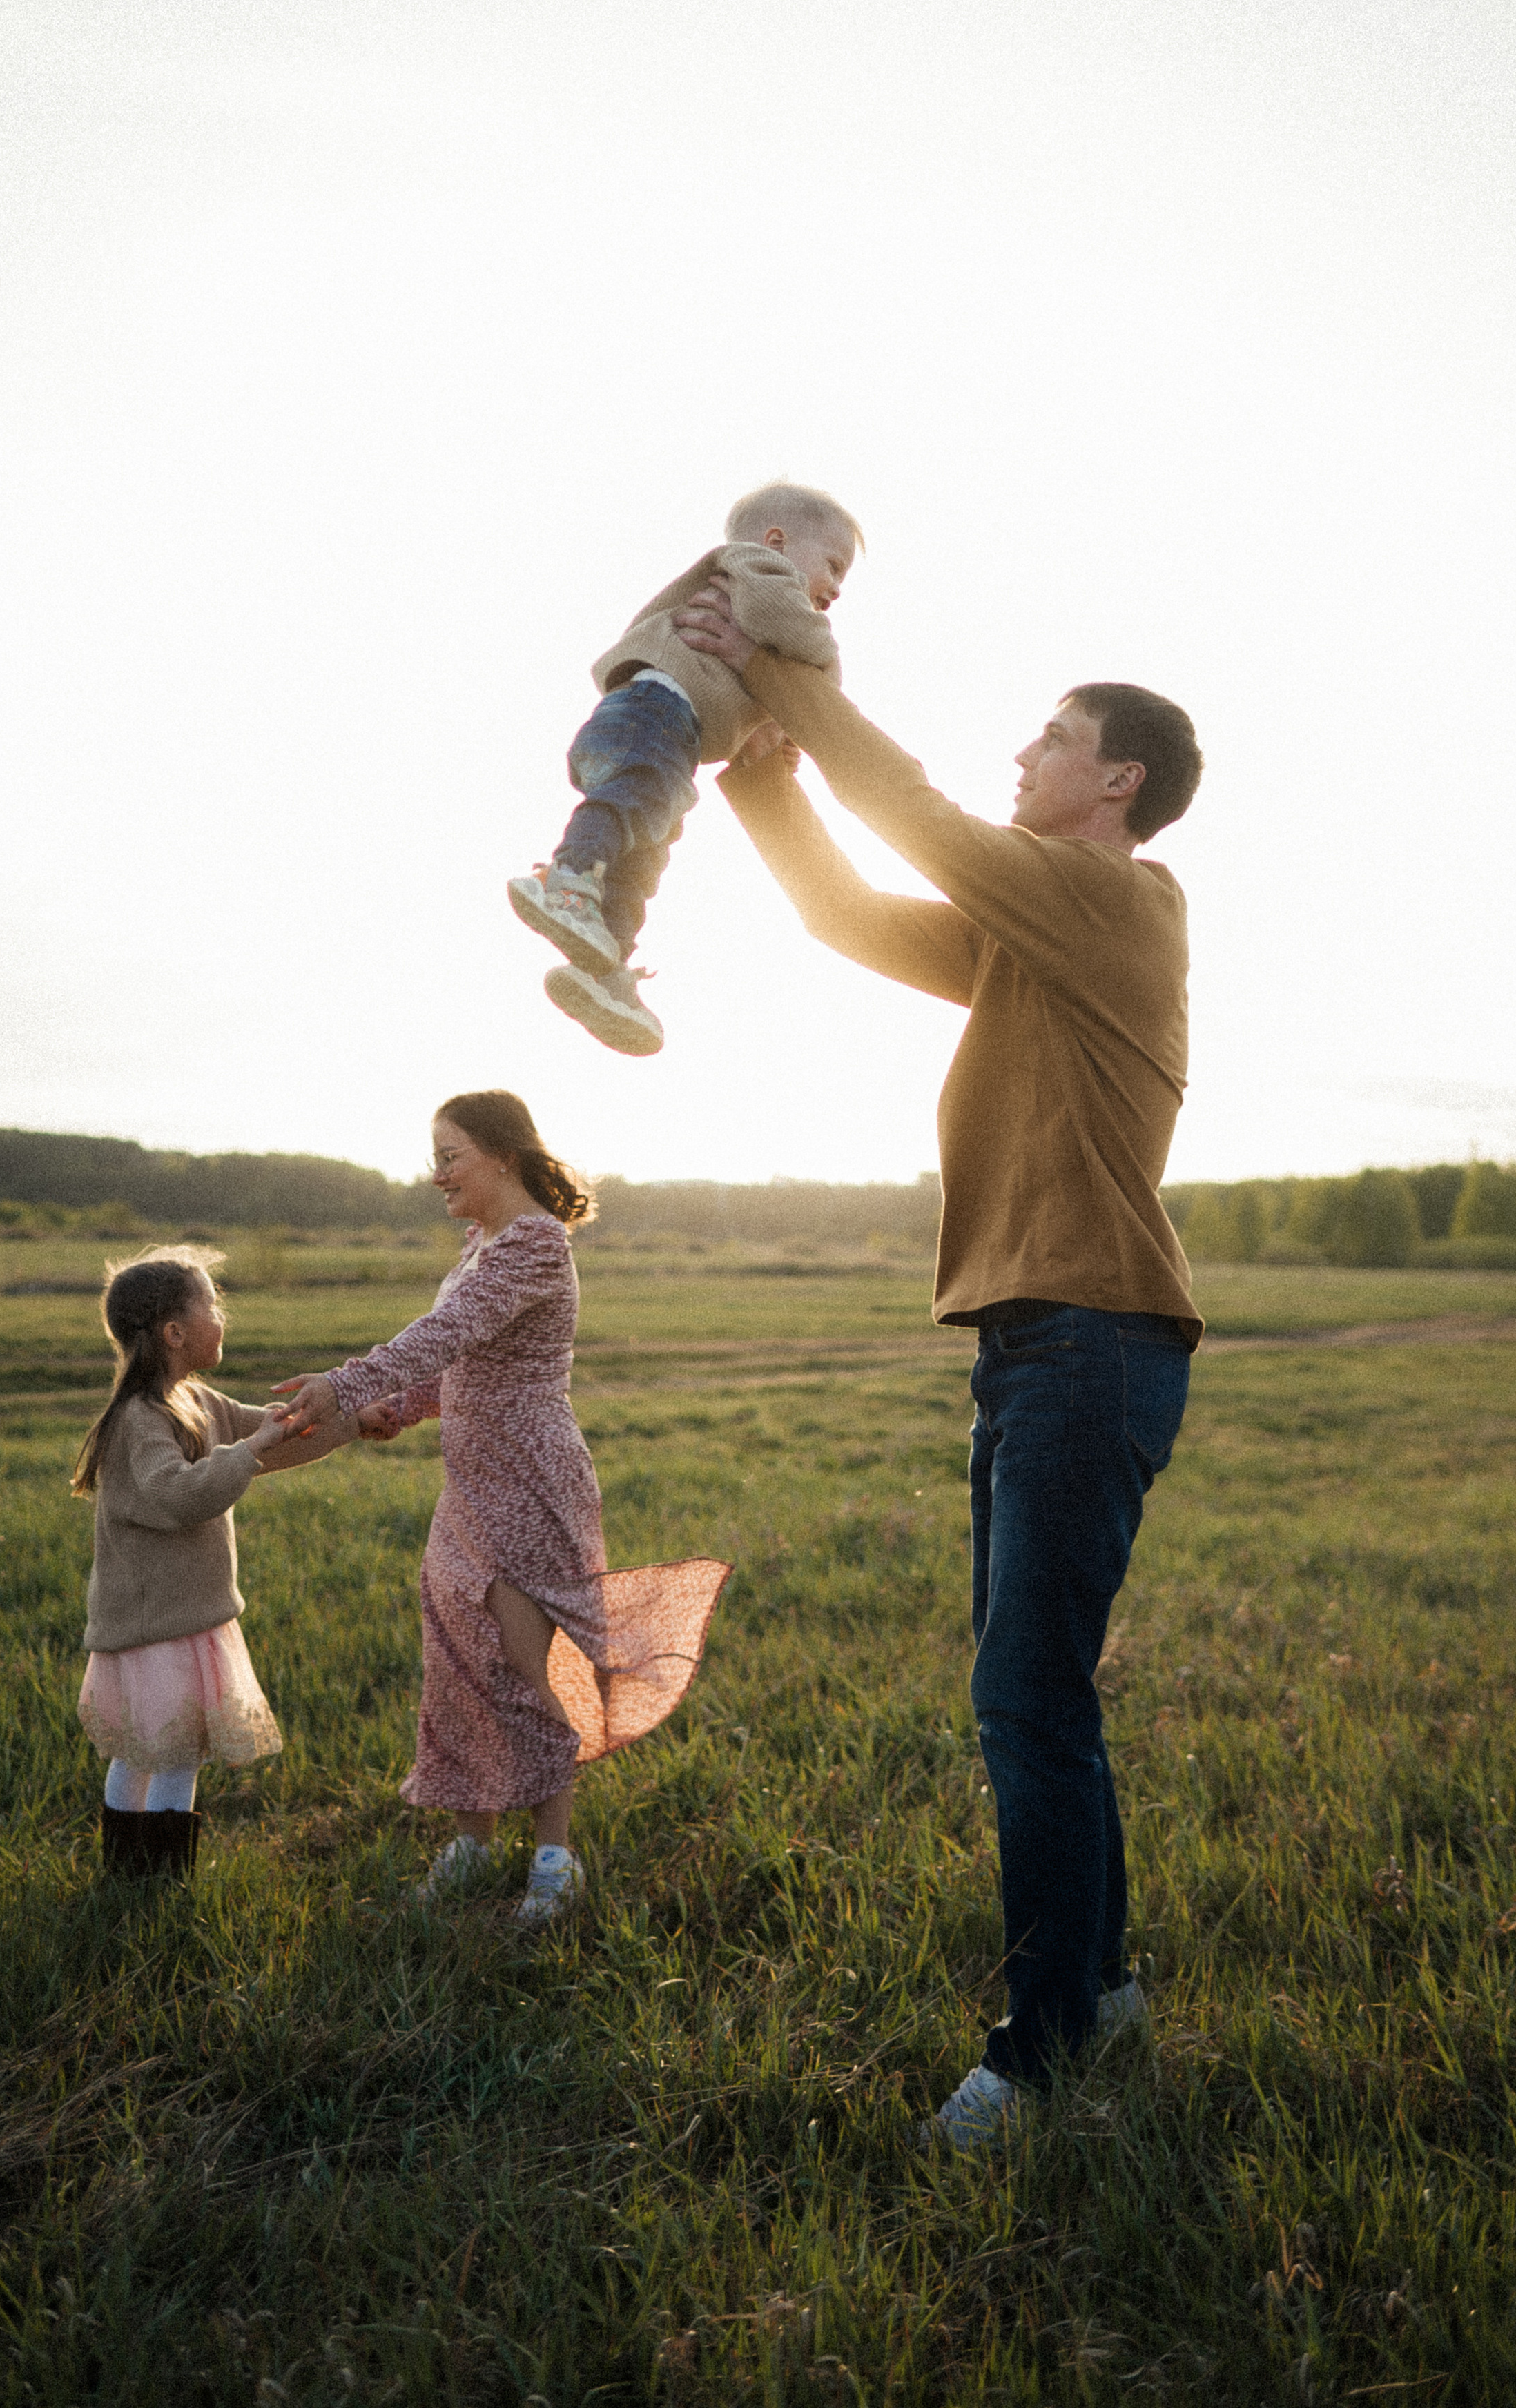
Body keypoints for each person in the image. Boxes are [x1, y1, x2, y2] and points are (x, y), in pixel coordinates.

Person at [681, 587, 1203, 2148]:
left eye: (1051, 735)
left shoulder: (1118, 901)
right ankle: (1096, 1993)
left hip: (1088, 1338)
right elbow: (849, 914)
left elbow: (912, 811)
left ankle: (1037, 2052)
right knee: (1041, 1696)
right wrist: (764, 774)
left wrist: (775, 662)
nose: (1024, 750)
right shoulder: (1024, 934)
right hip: (1035, 1341)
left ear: (1113, 780)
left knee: (1022, 1702)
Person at [273, 1091, 730, 1923]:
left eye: (451, 1154)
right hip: (469, 1486)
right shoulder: (479, 1245)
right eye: (433, 1155)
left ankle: (555, 1859)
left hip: (529, 1479)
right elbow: (454, 1363)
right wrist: (394, 1407)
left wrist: (345, 1382)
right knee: (455, 1660)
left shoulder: (535, 1243)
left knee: (527, 1668)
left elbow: (447, 1332)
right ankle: (471, 1846)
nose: (436, 1171)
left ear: (505, 1156)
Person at [505, 481, 862, 1056]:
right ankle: (569, 878)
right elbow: (797, 633)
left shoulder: (747, 613)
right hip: (653, 713)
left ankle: (606, 972)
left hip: (668, 737)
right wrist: (828, 673)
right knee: (632, 806)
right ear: (776, 541)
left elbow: (760, 711)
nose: (839, 590)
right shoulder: (755, 567)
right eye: (834, 566)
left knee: (643, 860)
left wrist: (779, 733)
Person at [73, 1245, 362, 1878]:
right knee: (165, 1753)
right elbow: (179, 1496)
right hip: (154, 1629)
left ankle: (135, 1877)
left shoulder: (197, 1400)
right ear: (176, 1333)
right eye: (213, 1304)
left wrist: (359, 1421)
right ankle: (150, 1879)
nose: (222, 1316)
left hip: (186, 1623)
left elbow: (276, 1435)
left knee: (162, 1750)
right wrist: (251, 1449)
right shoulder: (140, 1421)